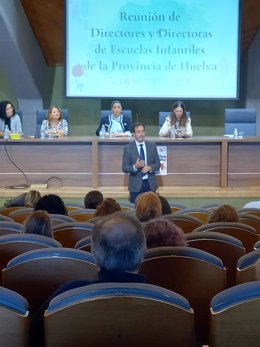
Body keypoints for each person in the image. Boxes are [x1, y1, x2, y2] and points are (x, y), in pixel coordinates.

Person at [30, 211, 146, 346]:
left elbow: (31, 335)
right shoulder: (170, 301)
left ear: (95, 255)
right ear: (143, 252)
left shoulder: (67, 295)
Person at [122, 122, 161, 203]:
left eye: (143, 131)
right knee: (135, 211)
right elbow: (124, 168)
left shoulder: (152, 146)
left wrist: (150, 167)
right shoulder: (128, 148)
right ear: (133, 134)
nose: (141, 134)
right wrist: (135, 166)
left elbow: (158, 164)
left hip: (150, 184)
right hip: (135, 186)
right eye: (138, 132)